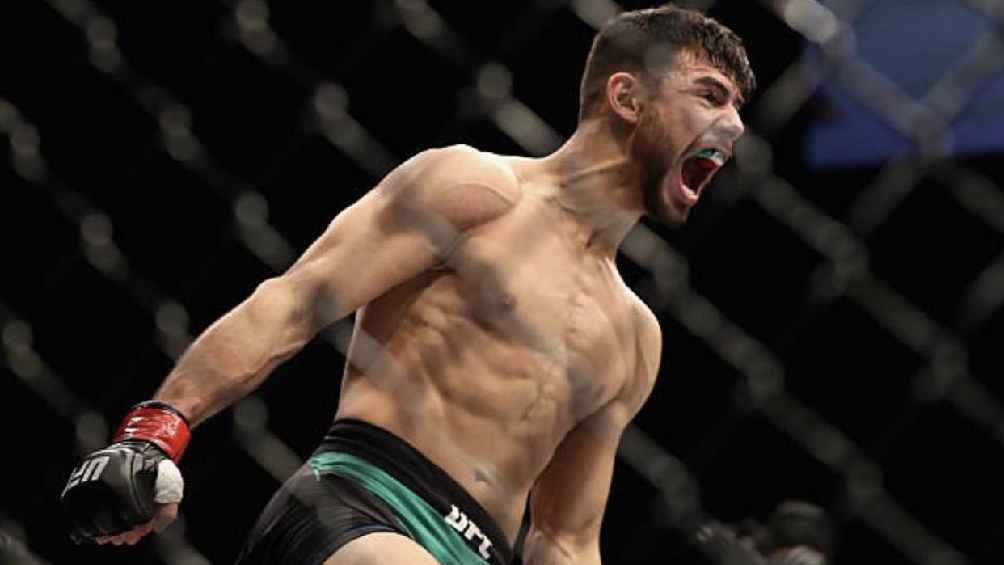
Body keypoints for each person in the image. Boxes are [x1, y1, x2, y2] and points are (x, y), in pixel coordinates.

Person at [61, 4, 754, 564]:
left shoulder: (634, 338)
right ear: (627, 96)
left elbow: (564, 539)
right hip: (357, 508)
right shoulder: (477, 191)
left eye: (739, 109)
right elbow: (295, 301)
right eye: (710, 95)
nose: (735, 125)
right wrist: (156, 430)